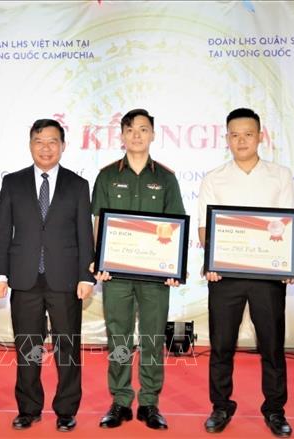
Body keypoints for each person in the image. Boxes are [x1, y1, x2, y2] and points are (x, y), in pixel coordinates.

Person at [198, 108, 294, 438]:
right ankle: (221, 405)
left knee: (272, 346)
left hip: (268, 277)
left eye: (248, 134)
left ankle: (275, 409)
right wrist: (212, 260)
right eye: (234, 135)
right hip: (225, 277)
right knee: (222, 346)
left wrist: (286, 263)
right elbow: (203, 231)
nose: (241, 140)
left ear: (260, 136)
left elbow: (287, 228)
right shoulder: (214, 178)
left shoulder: (280, 176)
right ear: (226, 139)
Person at [0, 119, 94, 432]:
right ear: (30, 144)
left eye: (52, 141)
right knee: (27, 348)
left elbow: (83, 234)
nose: (46, 147)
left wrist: (86, 277)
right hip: (24, 279)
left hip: (65, 280)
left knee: (68, 348)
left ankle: (66, 410)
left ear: (63, 145)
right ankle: (28, 408)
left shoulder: (78, 185)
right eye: (39, 141)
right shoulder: (13, 182)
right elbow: (4, 232)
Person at [91, 108, 185, 430]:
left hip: (155, 276)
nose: (136, 135)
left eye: (143, 130)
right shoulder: (106, 176)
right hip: (115, 274)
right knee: (118, 337)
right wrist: (98, 260)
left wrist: (174, 266)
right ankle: (119, 400)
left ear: (153, 135)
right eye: (130, 129)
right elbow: (97, 223)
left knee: (152, 337)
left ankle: (149, 403)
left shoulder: (166, 178)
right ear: (121, 136)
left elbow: (175, 228)